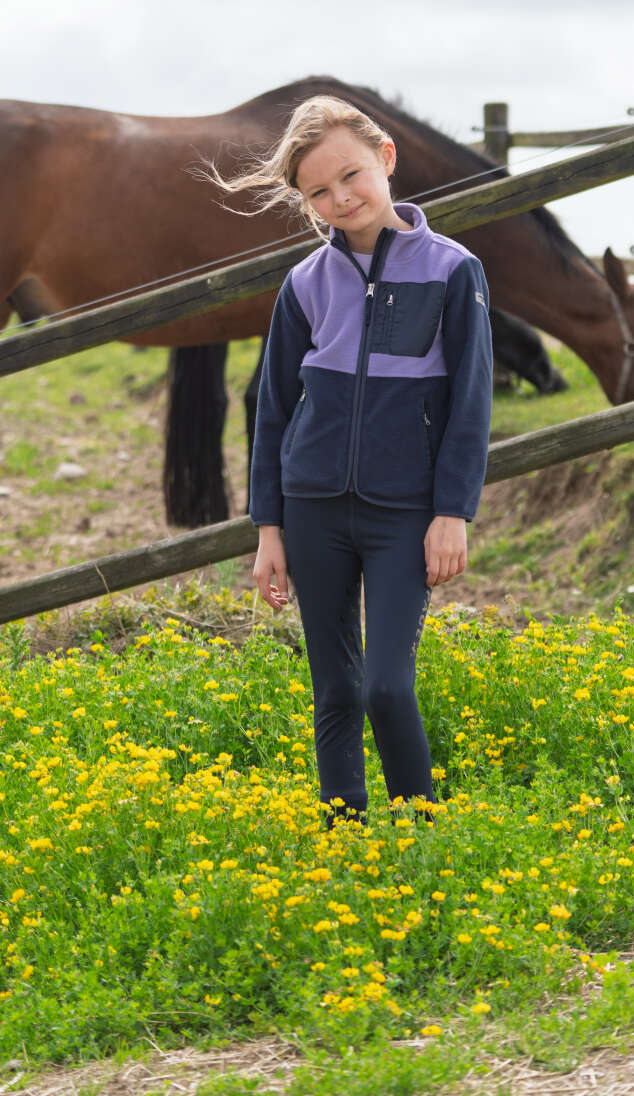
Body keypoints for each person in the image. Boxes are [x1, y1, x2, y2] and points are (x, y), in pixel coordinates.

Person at [211, 94, 493, 821]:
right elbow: (272, 409)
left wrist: (452, 512)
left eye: (351, 176)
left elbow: (469, 404)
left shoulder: (452, 271)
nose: (339, 199)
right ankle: (344, 836)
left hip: (404, 513)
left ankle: (420, 834)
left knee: (387, 686)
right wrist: (268, 529)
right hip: (312, 509)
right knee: (334, 687)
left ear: (385, 159)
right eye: (317, 193)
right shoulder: (305, 283)